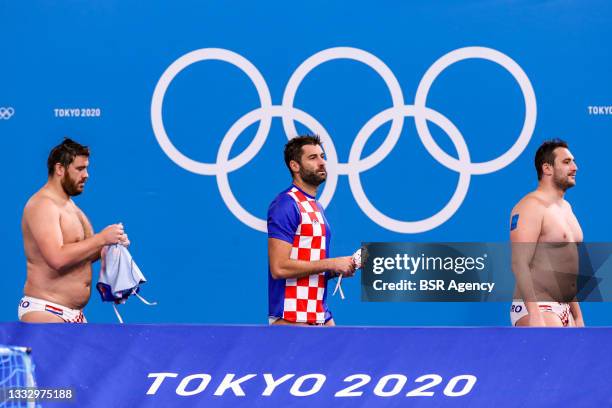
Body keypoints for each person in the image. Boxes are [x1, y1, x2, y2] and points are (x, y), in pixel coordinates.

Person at [18, 138, 128, 323]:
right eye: (79, 169)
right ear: (60, 169)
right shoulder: (43, 205)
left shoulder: (71, 206)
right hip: (45, 311)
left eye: (86, 168)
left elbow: (81, 254)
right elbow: (57, 258)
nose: (86, 175)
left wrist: (108, 246)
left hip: (75, 316)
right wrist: (101, 239)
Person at [267, 135, 355, 326]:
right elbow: (279, 267)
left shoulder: (316, 207)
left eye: (322, 156)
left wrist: (338, 268)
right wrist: (331, 263)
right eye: (313, 158)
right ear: (295, 166)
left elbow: (310, 264)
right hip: (292, 319)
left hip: (320, 317)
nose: (322, 162)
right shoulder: (285, 205)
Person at [509, 139, 584, 327]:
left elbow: (564, 269)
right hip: (539, 309)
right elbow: (519, 263)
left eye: (573, 161)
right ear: (547, 168)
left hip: (566, 310)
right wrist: (535, 314)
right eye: (566, 162)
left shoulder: (566, 208)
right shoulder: (530, 206)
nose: (575, 167)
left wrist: (578, 316)